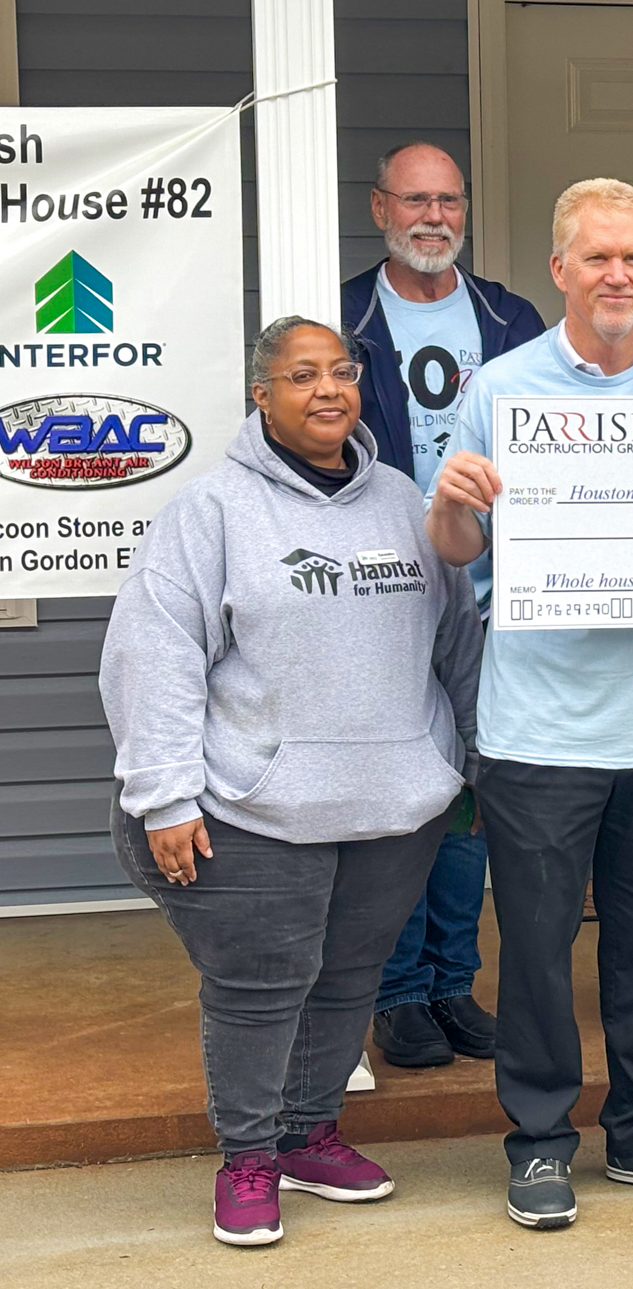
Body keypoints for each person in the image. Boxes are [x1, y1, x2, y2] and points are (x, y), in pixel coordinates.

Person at [100, 317, 482, 1246]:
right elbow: (154, 654)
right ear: (261, 395)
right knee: (260, 989)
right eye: (302, 375)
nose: (327, 390)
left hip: (391, 802)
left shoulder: (404, 499)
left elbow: (457, 641)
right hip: (253, 805)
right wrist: (165, 794)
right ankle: (247, 1157)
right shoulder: (211, 510)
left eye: (341, 372)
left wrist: (469, 759)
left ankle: (309, 1136)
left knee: (348, 978)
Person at [426, 178, 633, 1229]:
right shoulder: (503, 388)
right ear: (559, 268)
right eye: (597, 257)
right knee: (536, 949)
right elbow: (459, 553)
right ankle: (539, 1142)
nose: (617, 275)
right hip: (540, 728)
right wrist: (450, 504)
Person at [343, 141, 544, 1070]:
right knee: (397, 793)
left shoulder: (510, 318)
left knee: (470, 789)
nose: (434, 218)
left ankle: (453, 982)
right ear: (380, 208)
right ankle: (395, 993)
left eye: (449, 201)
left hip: (493, 595)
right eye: (415, 200)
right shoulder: (346, 320)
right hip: (382, 588)